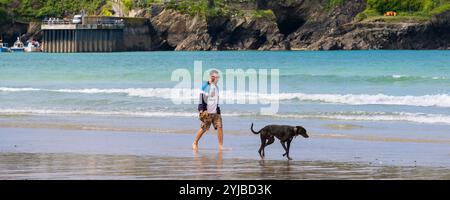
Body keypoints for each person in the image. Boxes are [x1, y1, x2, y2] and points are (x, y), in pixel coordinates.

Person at [192, 70, 223, 151]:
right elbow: (201, 98)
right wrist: (201, 109)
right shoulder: (205, 86)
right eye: (217, 77)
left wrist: (217, 109)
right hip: (207, 111)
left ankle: (220, 146)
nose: (218, 79)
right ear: (212, 77)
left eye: (218, 77)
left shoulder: (216, 87)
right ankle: (195, 142)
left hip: (215, 112)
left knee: (220, 127)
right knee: (204, 128)